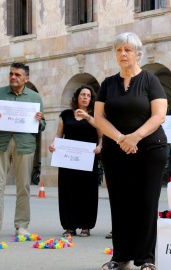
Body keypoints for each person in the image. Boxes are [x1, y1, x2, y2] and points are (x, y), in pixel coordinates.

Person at [95, 32, 167, 270]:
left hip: (149, 149)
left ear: (138, 54)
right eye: (118, 50)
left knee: (146, 203)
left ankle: (146, 260)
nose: (123, 54)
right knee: (120, 203)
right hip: (115, 151)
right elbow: (98, 117)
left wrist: (135, 137)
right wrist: (120, 138)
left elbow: (159, 115)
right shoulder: (107, 84)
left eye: (127, 50)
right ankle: (120, 257)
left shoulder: (151, 81)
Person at [0, 62, 46, 239]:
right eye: (11, 74)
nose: (13, 77)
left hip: (25, 145)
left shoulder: (35, 98)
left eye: (17, 75)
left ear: (26, 78)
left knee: (23, 187)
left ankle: (21, 226)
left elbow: (42, 125)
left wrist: (39, 120)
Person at [49, 85, 102, 238]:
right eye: (82, 94)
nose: (85, 97)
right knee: (68, 191)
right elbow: (59, 134)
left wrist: (100, 146)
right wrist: (53, 144)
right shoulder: (65, 115)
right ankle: (69, 226)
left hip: (88, 160)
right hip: (68, 160)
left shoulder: (94, 115)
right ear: (77, 97)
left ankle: (86, 225)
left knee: (87, 192)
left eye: (88, 95)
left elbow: (101, 135)